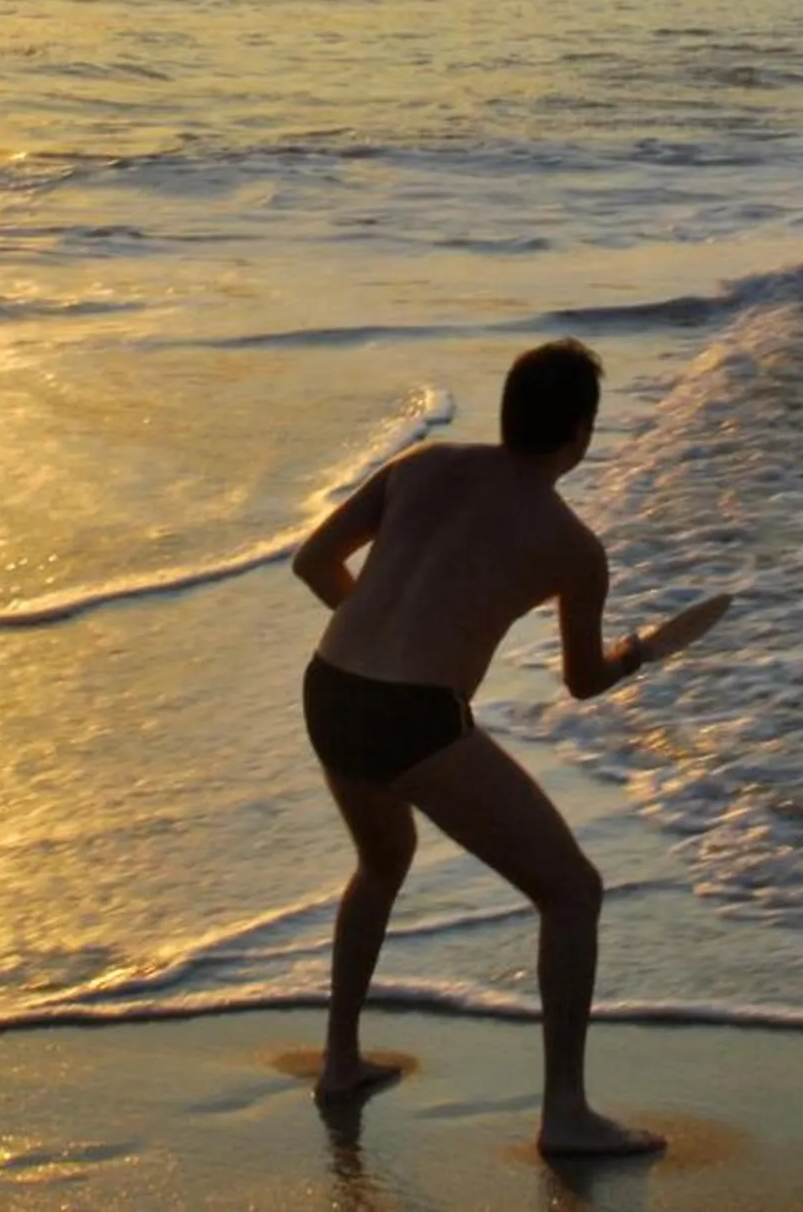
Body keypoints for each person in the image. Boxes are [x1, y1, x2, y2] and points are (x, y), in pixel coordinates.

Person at [291, 338, 670, 1160]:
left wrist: (377, 646)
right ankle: (565, 1113)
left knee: (383, 862)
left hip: (329, 685)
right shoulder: (574, 547)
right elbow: (580, 683)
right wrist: (634, 656)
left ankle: (341, 1063)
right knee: (572, 891)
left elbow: (312, 561)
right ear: (581, 432)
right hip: (411, 717)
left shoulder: (421, 465)